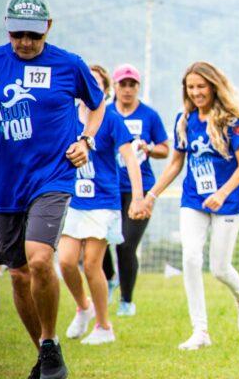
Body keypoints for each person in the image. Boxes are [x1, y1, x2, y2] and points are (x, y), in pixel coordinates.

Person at [0, 0, 105, 379]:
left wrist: (85, 141)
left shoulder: (68, 65)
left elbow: (97, 103)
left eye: (34, 36)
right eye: (18, 35)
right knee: (20, 274)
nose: (25, 43)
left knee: (41, 258)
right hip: (5, 182)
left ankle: (49, 343)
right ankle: (46, 350)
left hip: (53, 176)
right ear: (8, 29)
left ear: (48, 29)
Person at [143, 61, 239, 350]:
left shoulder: (232, 123)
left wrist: (221, 193)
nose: (196, 92)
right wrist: (151, 195)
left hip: (228, 200)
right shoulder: (184, 121)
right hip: (193, 198)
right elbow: (175, 164)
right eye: (190, 87)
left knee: (219, 268)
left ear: (213, 86)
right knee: (191, 257)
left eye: (201, 86)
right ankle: (201, 331)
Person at [57, 65, 145, 345]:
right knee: (67, 261)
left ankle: (104, 326)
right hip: (74, 200)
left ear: (104, 90)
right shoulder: (67, 116)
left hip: (103, 202)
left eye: (96, 83)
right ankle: (83, 307)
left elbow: (130, 159)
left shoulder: (112, 119)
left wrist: (139, 197)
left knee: (93, 264)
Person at [103, 63, 169, 316]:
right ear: (115, 87)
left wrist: (150, 148)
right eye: (123, 84)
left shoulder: (149, 116)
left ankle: (126, 301)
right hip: (107, 187)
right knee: (99, 240)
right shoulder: (105, 114)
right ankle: (109, 278)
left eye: (132, 85)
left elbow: (166, 149)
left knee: (126, 245)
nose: (128, 89)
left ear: (138, 87)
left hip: (139, 188)